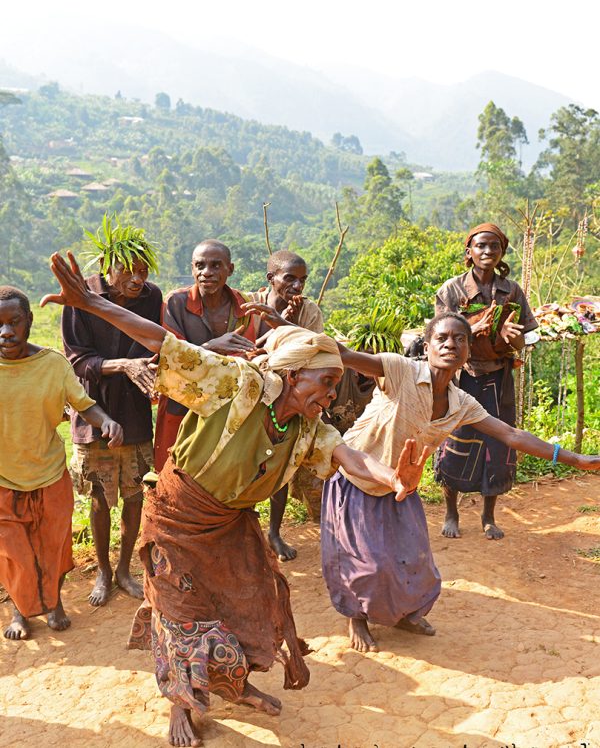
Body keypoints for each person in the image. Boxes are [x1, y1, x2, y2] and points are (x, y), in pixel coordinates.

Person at [42, 251, 426, 748]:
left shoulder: (308, 428)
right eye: (327, 383)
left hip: (229, 526)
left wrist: (395, 479)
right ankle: (182, 703)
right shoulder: (238, 384)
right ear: (294, 374)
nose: (332, 395)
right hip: (178, 516)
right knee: (181, 614)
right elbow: (163, 343)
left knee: (250, 604)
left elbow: (350, 457)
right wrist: (90, 303)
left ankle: (232, 683)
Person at [327, 312, 600, 653]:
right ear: (426, 347)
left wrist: (576, 459)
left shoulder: (462, 404)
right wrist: (284, 325)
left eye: (460, 339)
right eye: (441, 338)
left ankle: (405, 614)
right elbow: (344, 355)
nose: (450, 344)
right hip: (358, 478)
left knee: (415, 559)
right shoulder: (400, 370)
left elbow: (511, 434)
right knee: (366, 563)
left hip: (401, 487)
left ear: (468, 351)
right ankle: (356, 618)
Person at [0, 286, 122, 641]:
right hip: (4, 479)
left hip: (49, 474)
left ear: (28, 321)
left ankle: (54, 603)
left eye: (13, 322)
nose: (5, 332)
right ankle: (20, 610)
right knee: (14, 554)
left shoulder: (53, 365)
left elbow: (84, 404)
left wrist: (106, 421)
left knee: (54, 547)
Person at [62, 220, 162, 606]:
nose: (137, 279)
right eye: (128, 270)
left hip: (135, 411)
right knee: (100, 498)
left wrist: (149, 371)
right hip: (94, 412)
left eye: (143, 270)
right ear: (106, 266)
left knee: (135, 495)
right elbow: (78, 360)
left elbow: (152, 344)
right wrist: (124, 365)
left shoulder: (151, 297)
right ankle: (103, 571)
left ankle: (124, 569)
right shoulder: (81, 295)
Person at [434, 222, 538, 540]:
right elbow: (439, 335)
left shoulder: (512, 291)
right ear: (469, 252)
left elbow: (524, 339)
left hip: (498, 378)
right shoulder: (452, 291)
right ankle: (451, 513)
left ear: (502, 252)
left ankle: (488, 516)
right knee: (456, 442)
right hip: (461, 377)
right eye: (481, 245)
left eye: (494, 246)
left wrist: (511, 337)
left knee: (497, 444)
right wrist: (472, 329)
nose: (487, 251)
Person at [154, 239, 262, 472]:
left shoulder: (243, 306)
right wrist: (212, 347)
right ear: (192, 269)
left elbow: (246, 359)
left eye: (216, 265)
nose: (207, 272)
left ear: (230, 269)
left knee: (221, 475)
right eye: (200, 265)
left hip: (228, 409)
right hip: (182, 405)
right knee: (173, 472)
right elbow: (170, 359)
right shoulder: (175, 303)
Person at [249, 249, 325, 560]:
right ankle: (246, 533)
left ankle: (274, 532)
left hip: (288, 400)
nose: (297, 286)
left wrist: (286, 325)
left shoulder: (308, 311)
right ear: (271, 278)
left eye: (302, 280)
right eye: (289, 279)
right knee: (246, 465)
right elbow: (245, 349)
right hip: (250, 398)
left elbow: (316, 352)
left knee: (280, 465)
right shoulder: (250, 305)